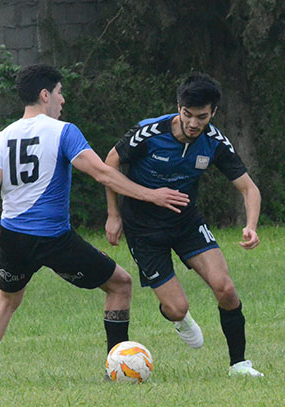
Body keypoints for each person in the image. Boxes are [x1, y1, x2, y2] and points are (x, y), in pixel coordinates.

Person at [0, 64, 189, 388]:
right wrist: (150, 195)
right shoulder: (63, 131)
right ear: (45, 95)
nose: (62, 99)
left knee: (7, 300)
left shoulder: (3, 137)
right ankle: (118, 366)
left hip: (12, 239)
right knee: (120, 284)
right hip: (54, 240)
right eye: (58, 93)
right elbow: (102, 173)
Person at [104, 73, 264, 377]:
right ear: (178, 107)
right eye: (187, 114)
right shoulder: (148, 133)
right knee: (177, 307)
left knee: (226, 289)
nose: (193, 123)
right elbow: (109, 164)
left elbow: (249, 188)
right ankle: (180, 319)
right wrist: (114, 215)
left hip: (186, 223)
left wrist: (251, 225)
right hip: (144, 230)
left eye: (201, 117)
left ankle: (239, 364)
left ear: (213, 113)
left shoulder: (213, 142)